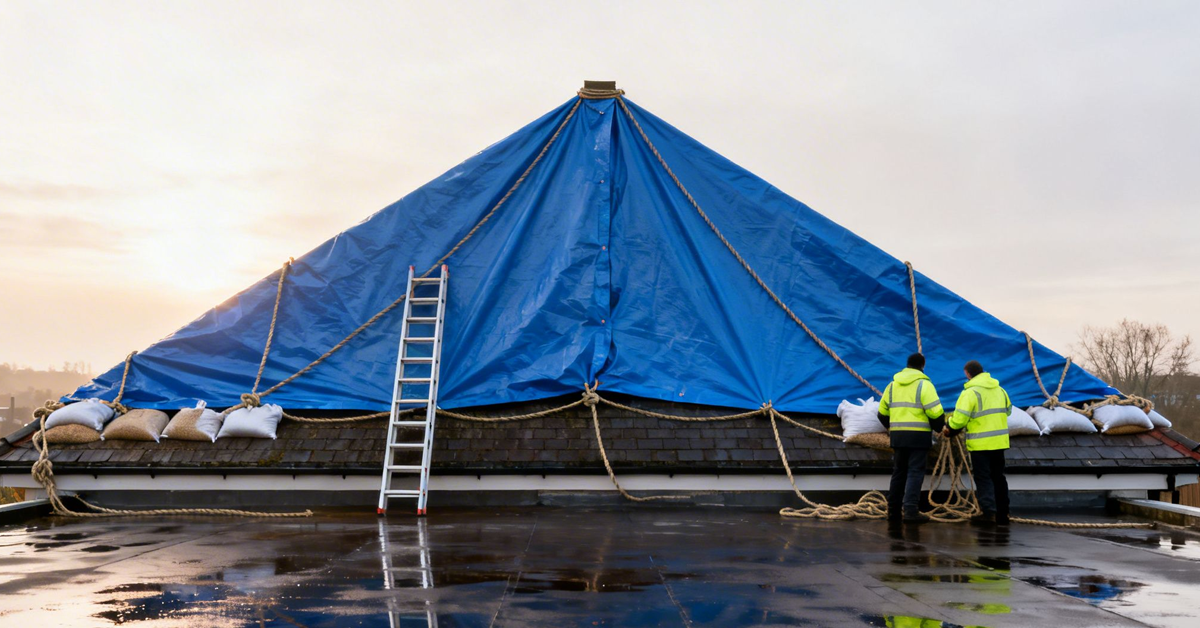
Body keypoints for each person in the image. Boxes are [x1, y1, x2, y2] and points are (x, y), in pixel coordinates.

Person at [877, 352, 945, 524]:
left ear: (906, 365)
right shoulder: (925, 385)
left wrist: (892, 427)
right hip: (919, 436)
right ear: (923, 366)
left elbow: (881, 414)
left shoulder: (892, 386)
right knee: (915, 472)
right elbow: (935, 413)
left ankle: (893, 511)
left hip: (898, 437)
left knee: (898, 472)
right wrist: (940, 428)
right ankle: (910, 510)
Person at [943, 360, 1012, 525]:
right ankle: (1003, 514)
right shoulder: (1000, 390)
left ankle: (988, 513)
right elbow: (1008, 411)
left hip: (980, 444)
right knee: (999, 477)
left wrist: (948, 428)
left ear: (968, 374)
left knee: (983, 478)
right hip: (999, 442)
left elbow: (959, 420)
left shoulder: (970, 393)